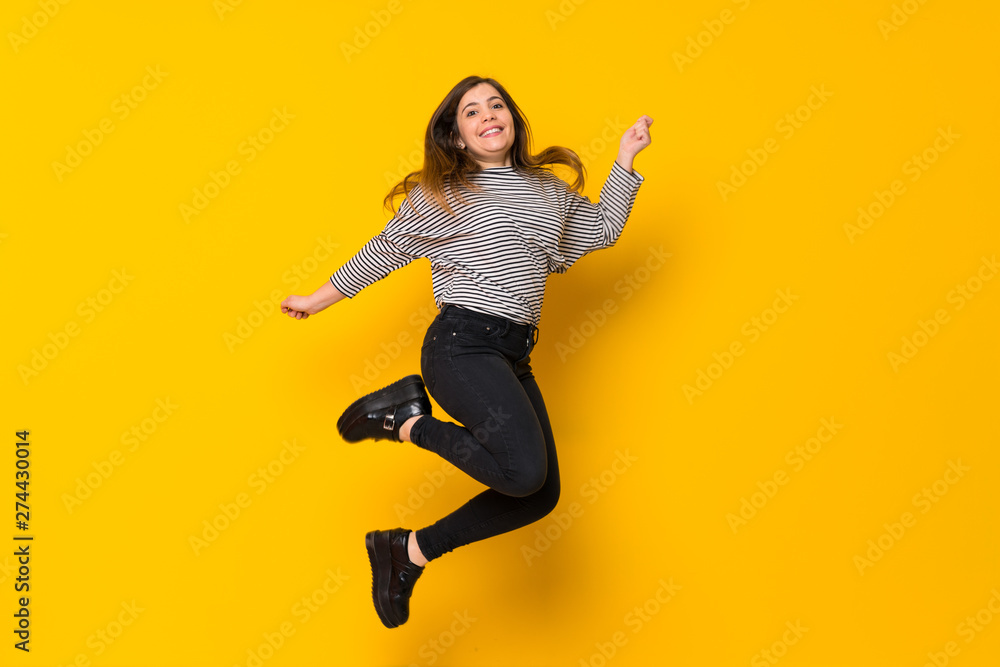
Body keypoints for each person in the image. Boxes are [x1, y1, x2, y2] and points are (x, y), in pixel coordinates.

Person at [280, 75, 652, 629]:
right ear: (457, 138)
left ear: (513, 120)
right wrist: (317, 299)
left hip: (513, 353)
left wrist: (625, 159)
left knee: (537, 494)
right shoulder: (444, 195)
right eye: (471, 113)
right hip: (462, 344)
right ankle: (406, 422)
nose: (487, 117)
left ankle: (406, 552)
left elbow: (599, 230)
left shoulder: (548, 191)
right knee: (522, 471)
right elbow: (384, 252)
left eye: (495, 105)